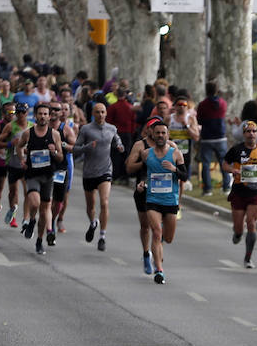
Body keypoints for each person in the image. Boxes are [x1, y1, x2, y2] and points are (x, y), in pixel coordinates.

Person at [137, 122, 186, 284]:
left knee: (168, 238)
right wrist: (141, 183)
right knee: (156, 232)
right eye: (157, 133)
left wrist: (174, 169)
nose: (160, 136)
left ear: (167, 135)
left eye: (163, 133)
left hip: (170, 200)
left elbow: (184, 176)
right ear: (153, 134)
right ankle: (159, 270)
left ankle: (158, 248)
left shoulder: (176, 154)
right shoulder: (146, 154)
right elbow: (144, 173)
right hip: (153, 199)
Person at [74, 102, 124, 251]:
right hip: (89, 172)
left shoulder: (112, 128)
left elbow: (117, 140)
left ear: (106, 113)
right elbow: (76, 149)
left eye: (102, 112)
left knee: (104, 202)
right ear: (93, 114)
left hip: (105, 170)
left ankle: (102, 236)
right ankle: (93, 223)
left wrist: (120, 146)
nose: (100, 114)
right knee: (90, 206)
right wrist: (87, 147)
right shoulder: (86, 129)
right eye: (97, 112)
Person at [222, 121, 257, 268]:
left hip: (255, 192)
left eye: (254, 131)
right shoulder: (236, 149)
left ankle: (248, 258)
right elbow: (225, 164)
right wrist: (233, 170)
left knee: (251, 223)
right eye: (248, 131)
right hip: (239, 191)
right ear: (243, 134)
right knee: (239, 227)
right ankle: (238, 233)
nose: (251, 134)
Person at [17, 104, 63, 255]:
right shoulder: (28, 133)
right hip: (32, 174)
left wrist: (54, 152)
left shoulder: (54, 134)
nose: (42, 116)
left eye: (45, 114)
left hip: (47, 176)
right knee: (35, 203)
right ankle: (31, 219)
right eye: (40, 114)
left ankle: (39, 240)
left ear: (49, 117)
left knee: (44, 211)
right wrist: (22, 159)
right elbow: (19, 146)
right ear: (35, 116)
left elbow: (60, 157)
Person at [127, 116, 163, 274]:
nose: (158, 132)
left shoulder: (168, 145)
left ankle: (158, 257)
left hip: (162, 190)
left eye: (160, 129)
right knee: (145, 226)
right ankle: (146, 254)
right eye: (153, 128)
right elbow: (129, 167)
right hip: (143, 190)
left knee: (158, 229)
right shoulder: (140, 145)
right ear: (148, 130)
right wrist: (145, 161)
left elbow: (179, 168)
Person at [0, 102, 31, 228]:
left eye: (23, 112)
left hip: (27, 164)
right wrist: (10, 144)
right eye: (18, 112)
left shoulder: (32, 127)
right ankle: (13, 210)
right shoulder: (10, 126)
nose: (21, 114)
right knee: (13, 192)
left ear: (27, 113)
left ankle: (25, 219)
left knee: (28, 192)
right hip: (13, 163)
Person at [47, 102, 76, 246]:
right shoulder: (41, 127)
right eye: (51, 109)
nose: (54, 111)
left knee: (59, 199)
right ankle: (45, 223)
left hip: (60, 168)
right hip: (44, 168)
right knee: (45, 199)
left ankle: (53, 219)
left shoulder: (66, 129)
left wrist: (62, 145)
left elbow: (75, 147)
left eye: (57, 109)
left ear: (61, 113)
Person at [195, 81, 230, 196]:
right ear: (217, 90)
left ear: (206, 90)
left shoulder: (202, 104)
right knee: (223, 162)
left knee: (205, 164)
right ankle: (226, 187)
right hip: (220, 137)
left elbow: (199, 120)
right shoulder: (223, 103)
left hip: (207, 138)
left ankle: (207, 189)